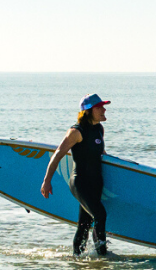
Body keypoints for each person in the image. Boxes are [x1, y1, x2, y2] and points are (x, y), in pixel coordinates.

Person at [41, 93, 110, 256]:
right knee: (100, 214)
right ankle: (103, 256)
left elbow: (101, 155)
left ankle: (77, 259)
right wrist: (47, 181)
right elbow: (58, 155)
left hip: (96, 183)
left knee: (84, 224)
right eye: (99, 107)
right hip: (81, 183)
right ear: (88, 111)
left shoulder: (99, 129)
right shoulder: (76, 132)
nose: (104, 109)